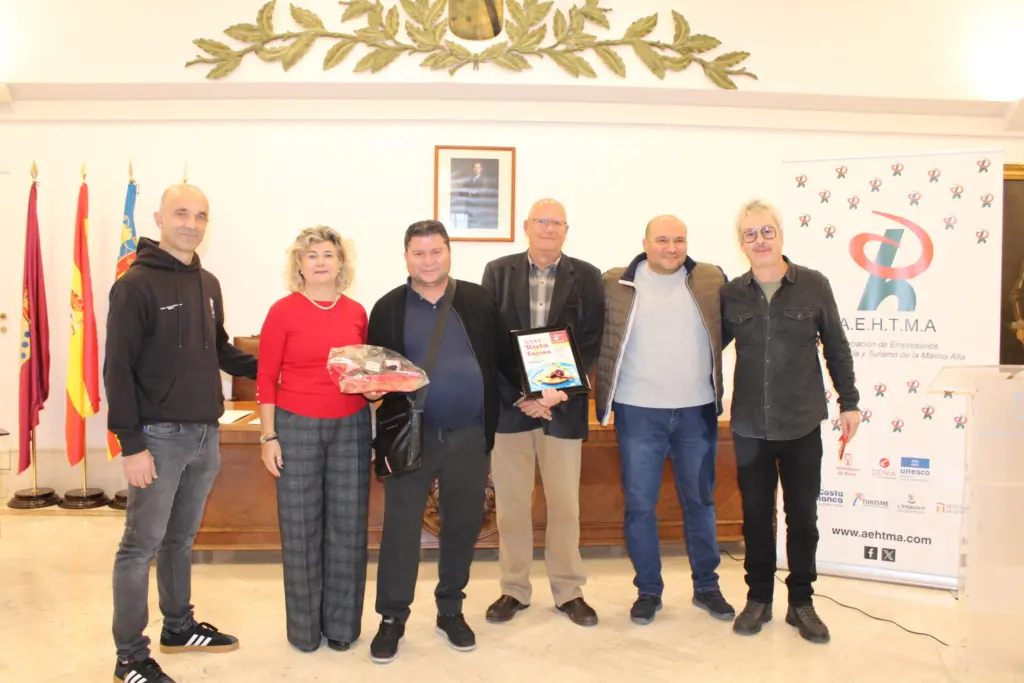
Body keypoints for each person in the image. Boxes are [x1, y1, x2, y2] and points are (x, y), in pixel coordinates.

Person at [364, 219, 566, 664]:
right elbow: (375, 370)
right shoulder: (387, 308)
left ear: (448, 252)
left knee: (461, 525)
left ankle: (450, 610)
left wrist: (537, 392)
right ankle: (392, 618)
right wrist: (370, 388)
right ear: (406, 257)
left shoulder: (476, 300)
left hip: (471, 435)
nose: (428, 260)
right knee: (400, 530)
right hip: (409, 437)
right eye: (419, 253)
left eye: (436, 251)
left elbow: (505, 361)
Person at [105, 184, 258, 683]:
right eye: (181, 214)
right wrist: (132, 444)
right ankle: (130, 658)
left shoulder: (207, 283)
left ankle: (178, 627)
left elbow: (220, 351)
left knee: (180, 540)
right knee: (139, 548)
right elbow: (117, 369)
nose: (191, 224)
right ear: (159, 219)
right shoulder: (135, 284)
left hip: (204, 434)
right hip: (158, 438)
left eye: (201, 216)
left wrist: (281, 366)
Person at [722, 199, 860, 644]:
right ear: (741, 243)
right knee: (756, 519)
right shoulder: (731, 294)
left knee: (802, 518)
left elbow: (836, 346)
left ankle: (801, 602)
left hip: (801, 423)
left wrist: (850, 402)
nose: (760, 240)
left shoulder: (813, 285)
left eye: (767, 231)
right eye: (750, 234)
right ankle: (758, 599)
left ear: (780, 235)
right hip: (749, 427)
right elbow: (703, 348)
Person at [594, 215, 734, 626]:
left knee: (700, 503)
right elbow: (597, 335)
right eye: (662, 240)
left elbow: (722, 330)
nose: (671, 248)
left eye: (679, 240)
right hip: (638, 411)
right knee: (639, 505)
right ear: (645, 243)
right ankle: (648, 591)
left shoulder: (711, 278)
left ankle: (707, 587)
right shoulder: (614, 283)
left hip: (696, 410)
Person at [480, 198, 605, 627]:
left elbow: (591, 341)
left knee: (565, 506)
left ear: (566, 230)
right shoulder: (498, 272)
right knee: (512, 505)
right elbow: (490, 340)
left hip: (562, 409)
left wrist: (554, 395)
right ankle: (514, 589)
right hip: (510, 407)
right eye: (541, 221)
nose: (549, 228)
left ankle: (568, 591)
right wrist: (524, 395)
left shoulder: (587, 275)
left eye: (557, 223)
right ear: (526, 226)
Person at [256, 226, 372, 653]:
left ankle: (342, 627)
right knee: (301, 529)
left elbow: (363, 374)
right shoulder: (283, 311)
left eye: (328, 254)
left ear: (341, 263)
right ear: (299, 265)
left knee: (349, 527)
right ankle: (304, 632)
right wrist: (268, 435)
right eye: (312, 255)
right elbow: (265, 378)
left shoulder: (357, 312)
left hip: (351, 427)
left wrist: (374, 406)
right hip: (296, 427)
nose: (321, 261)